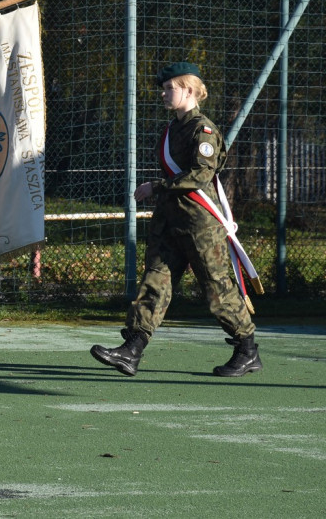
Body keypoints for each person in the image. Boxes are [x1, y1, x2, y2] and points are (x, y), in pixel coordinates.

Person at [90, 61, 261, 378]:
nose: (164, 93)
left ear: (190, 90)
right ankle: (132, 349)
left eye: (170, 88)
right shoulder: (171, 129)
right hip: (169, 221)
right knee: (154, 284)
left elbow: (200, 175)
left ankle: (247, 349)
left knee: (217, 290)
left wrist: (156, 186)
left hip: (200, 225)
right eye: (164, 88)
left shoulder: (203, 130)